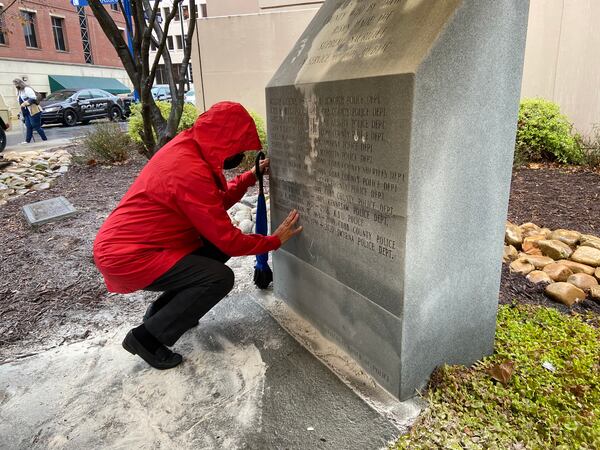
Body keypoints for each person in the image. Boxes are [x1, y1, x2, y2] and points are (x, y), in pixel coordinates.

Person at [93, 101, 302, 369]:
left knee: (215, 252)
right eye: (239, 148)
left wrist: (250, 176)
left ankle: (160, 313)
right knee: (218, 278)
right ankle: (146, 338)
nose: (240, 155)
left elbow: (210, 206)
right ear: (224, 141)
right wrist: (274, 241)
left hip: (141, 244)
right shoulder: (188, 169)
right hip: (129, 255)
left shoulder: (190, 148)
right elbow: (228, 238)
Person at [13, 78, 47, 144]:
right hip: (26, 112)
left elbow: (33, 98)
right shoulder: (19, 91)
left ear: (20, 83)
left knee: (36, 126)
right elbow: (20, 102)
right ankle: (27, 141)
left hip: (33, 110)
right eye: (15, 84)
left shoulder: (27, 89)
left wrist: (26, 103)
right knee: (28, 126)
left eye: (16, 84)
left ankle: (45, 139)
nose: (15, 85)